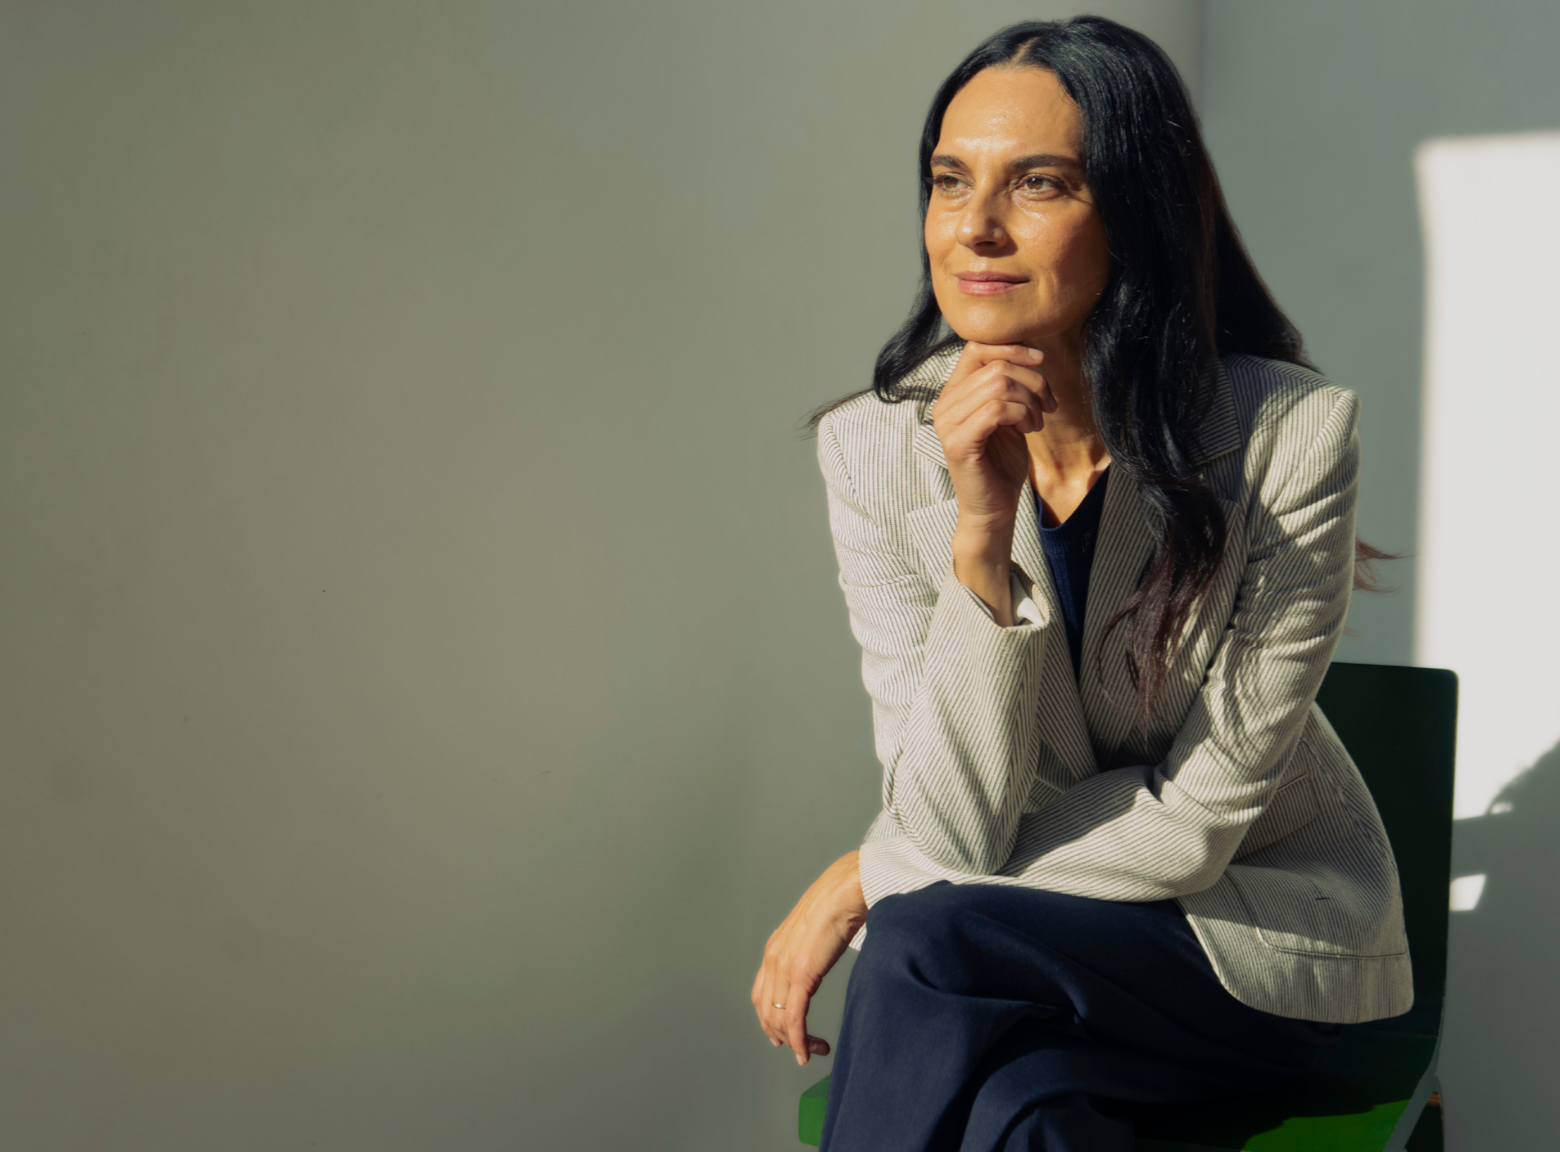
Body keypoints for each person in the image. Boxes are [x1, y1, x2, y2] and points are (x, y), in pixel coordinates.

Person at [748, 16, 1413, 1152]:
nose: (976, 227)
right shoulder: (874, 448)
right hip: (1032, 979)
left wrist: (875, 870)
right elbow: (951, 820)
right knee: (1027, 1114)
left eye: (1039, 183)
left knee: (921, 938)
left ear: (1137, 215)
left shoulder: (1287, 439)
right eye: (949, 180)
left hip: (1247, 958)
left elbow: (1194, 832)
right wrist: (978, 537)